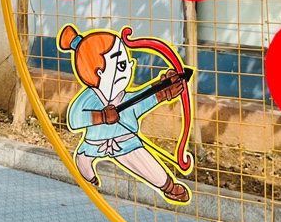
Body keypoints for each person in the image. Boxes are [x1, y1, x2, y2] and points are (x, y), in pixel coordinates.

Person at [60, 23, 189, 203]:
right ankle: (90, 179)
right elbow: (74, 120)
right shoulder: (89, 98)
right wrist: (102, 117)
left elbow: (141, 101)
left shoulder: (123, 97)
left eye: (126, 60)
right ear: (99, 72)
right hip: (93, 144)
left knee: (149, 166)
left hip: (126, 143)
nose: (130, 64)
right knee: (83, 162)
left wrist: (162, 91)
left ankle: (168, 187)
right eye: (121, 64)